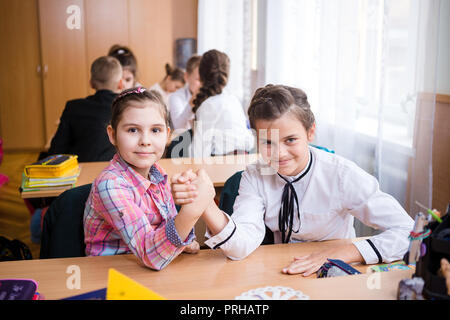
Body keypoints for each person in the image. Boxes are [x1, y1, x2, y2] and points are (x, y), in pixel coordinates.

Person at [172, 84, 414, 276]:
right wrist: (206, 204)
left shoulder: (341, 174)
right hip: (284, 271)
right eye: (267, 142)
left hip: (335, 276)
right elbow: (240, 247)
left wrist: (345, 251)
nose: (279, 154)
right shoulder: (255, 175)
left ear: (310, 132)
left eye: (290, 140)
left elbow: (410, 232)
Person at [83, 87, 210, 270]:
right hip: (110, 274)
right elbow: (151, 255)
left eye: (155, 130)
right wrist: (191, 212)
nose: (145, 141)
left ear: (167, 135)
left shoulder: (157, 172)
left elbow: (169, 223)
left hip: (148, 267)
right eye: (133, 130)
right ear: (112, 135)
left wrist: (183, 235)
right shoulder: (110, 186)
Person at [47, 56, 123, 162]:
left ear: (91, 82)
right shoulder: (125, 108)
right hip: (118, 172)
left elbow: (57, 149)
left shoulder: (73, 107)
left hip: (79, 171)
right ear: (120, 84)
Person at [190, 49, 254, 158]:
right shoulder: (234, 100)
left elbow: (199, 152)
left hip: (223, 164)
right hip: (245, 159)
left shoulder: (207, 106)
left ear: (201, 75)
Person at [168, 55, 201, 131]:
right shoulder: (176, 97)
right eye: (198, 80)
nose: (202, 84)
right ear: (186, 77)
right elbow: (179, 127)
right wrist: (192, 103)